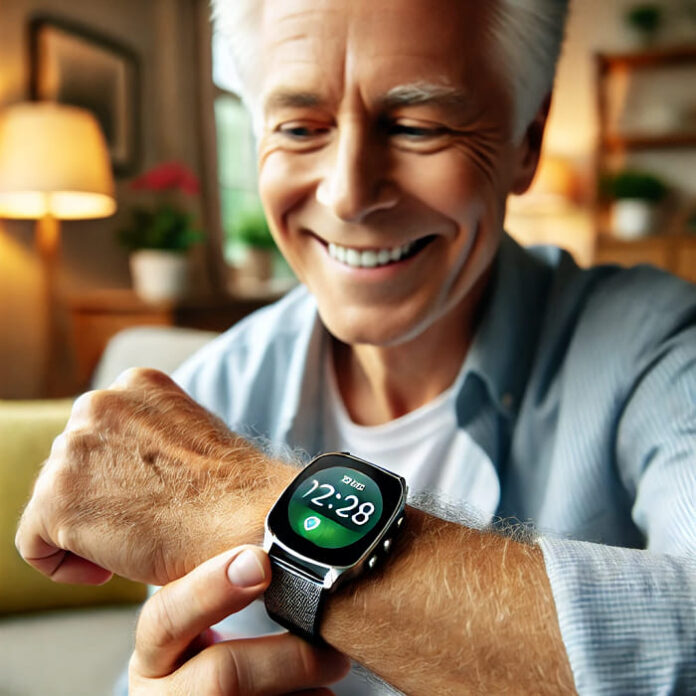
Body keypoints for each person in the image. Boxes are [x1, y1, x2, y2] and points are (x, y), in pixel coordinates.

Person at [15, 0, 696, 693]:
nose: (346, 195)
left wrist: (221, 498)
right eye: (300, 128)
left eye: (417, 125)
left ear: (528, 138)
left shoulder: (660, 346)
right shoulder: (205, 390)